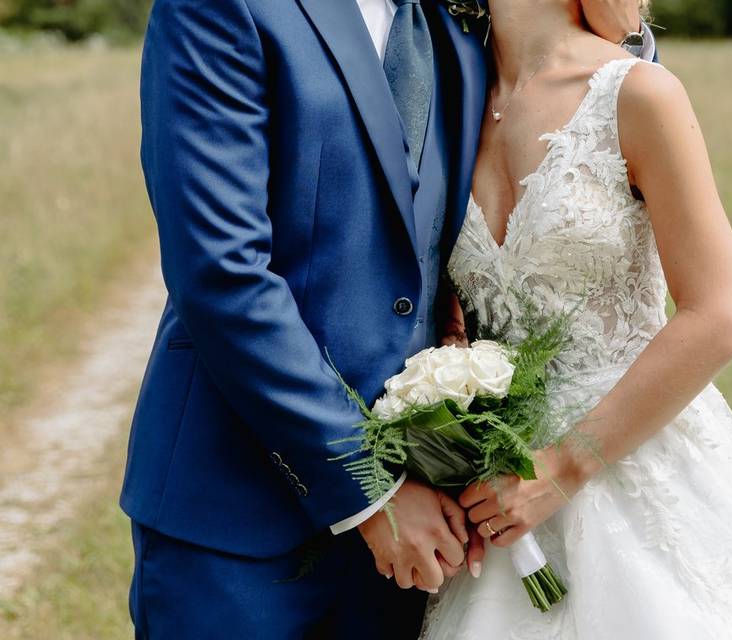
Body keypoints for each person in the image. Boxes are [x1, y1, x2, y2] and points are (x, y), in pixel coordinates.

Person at [120, 0, 653, 637]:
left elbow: (579, 78)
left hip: (427, 529)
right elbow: (220, 273)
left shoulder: (458, 20)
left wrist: (628, 52)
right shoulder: (220, 9)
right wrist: (369, 489)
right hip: (236, 510)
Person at [421, 0, 732, 637]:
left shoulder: (638, 94)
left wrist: (562, 467)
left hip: (631, 462)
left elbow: (719, 316)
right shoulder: (443, 105)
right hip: (498, 489)